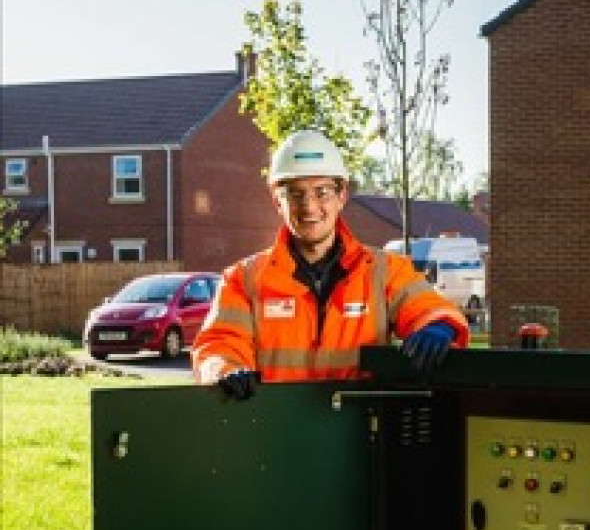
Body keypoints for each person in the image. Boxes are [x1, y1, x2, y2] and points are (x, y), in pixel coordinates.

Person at [192, 129, 470, 399]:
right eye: (295, 194)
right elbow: (218, 344)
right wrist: (224, 370)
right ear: (277, 201)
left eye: (321, 191)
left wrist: (438, 325)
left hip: (357, 432)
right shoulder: (244, 280)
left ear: (342, 195)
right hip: (274, 433)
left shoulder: (383, 271)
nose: (309, 207)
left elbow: (430, 309)